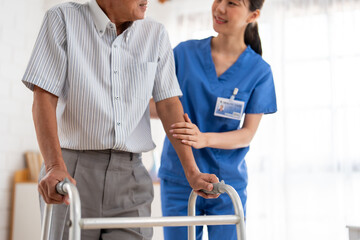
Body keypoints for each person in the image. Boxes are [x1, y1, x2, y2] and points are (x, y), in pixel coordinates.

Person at [22, 0, 219, 239]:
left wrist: (192, 172)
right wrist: (54, 166)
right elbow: (43, 98)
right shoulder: (62, 19)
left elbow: (168, 104)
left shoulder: (155, 33)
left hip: (131, 176)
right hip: (72, 171)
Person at [151, 0, 277, 239]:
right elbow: (159, 105)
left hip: (228, 180)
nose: (219, 8)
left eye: (231, 3)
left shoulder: (259, 71)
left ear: (253, 15)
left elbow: (247, 134)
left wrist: (203, 138)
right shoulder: (184, 54)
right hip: (179, 177)